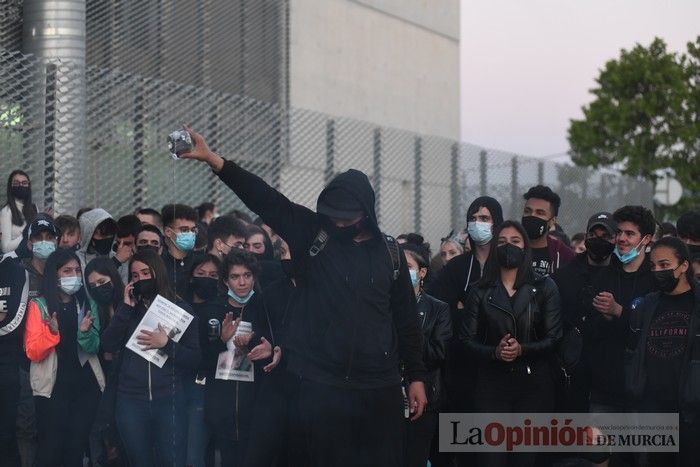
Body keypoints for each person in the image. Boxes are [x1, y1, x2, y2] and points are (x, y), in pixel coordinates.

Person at [179, 126, 426, 467]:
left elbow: (407, 320)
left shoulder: (391, 254)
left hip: (379, 388)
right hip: (321, 386)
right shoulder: (313, 233)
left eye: (347, 218)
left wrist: (416, 376)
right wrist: (214, 160)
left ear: (366, 213)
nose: (339, 224)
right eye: (334, 217)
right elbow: (264, 198)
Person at [460, 220, 562, 467]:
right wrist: (495, 353)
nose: (509, 247)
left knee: (524, 459)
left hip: (532, 386)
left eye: (515, 241)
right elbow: (465, 340)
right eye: (502, 242)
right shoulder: (479, 290)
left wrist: (522, 350)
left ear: (525, 247)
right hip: (491, 386)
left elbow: (554, 337)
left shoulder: (545, 286)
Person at [100, 250, 200, 467]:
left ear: (158, 273)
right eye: (135, 276)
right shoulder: (127, 310)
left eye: (146, 273)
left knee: (173, 461)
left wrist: (167, 345)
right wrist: (125, 309)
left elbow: (194, 359)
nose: (141, 279)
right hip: (131, 402)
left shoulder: (181, 309)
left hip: (169, 400)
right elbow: (107, 344)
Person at [24, 248, 104, 466]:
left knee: (75, 449)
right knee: (50, 451)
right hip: (52, 389)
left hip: (85, 387)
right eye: (67, 270)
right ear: (54, 274)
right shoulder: (39, 305)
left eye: (77, 270)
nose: (74, 275)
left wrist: (86, 333)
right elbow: (33, 351)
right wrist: (51, 333)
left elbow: (95, 346)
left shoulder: (88, 304)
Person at [626, 237, 700, 466]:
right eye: (654, 266)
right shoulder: (648, 304)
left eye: (665, 265)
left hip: (691, 409)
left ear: (684, 266)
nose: (658, 271)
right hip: (654, 407)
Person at [202, 250, 278, 466]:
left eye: (247, 275)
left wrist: (267, 350)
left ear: (254, 277)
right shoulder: (213, 311)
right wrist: (221, 341)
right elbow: (202, 361)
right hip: (222, 408)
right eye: (235, 277)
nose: (242, 282)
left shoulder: (265, 308)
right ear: (225, 280)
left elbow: (278, 348)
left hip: (257, 408)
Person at [587, 205, 657, 421]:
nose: (621, 239)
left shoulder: (656, 280)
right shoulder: (603, 277)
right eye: (619, 233)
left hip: (643, 389)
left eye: (630, 234)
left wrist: (619, 312)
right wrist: (605, 318)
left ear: (646, 239)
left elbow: (653, 331)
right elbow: (589, 328)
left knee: (639, 452)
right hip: (605, 389)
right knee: (598, 452)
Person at [402, 242, 452, 467]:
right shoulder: (383, 305)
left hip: (425, 396)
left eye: (409, 266)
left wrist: (410, 326)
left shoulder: (438, 309)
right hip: (389, 394)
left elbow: (437, 353)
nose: (403, 272)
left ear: (422, 272)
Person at [84, 258, 126, 467]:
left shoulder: (128, 303)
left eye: (102, 281)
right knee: (101, 433)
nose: (99, 288)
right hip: (102, 376)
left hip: (127, 376)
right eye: (93, 286)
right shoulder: (93, 310)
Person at [184, 254, 223, 467]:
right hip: (177, 386)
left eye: (213, 275)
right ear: (191, 276)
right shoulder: (179, 306)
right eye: (201, 274)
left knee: (195, 455)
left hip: (206, 387)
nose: (207, 279)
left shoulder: (222, 309)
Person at [521, 185, 574, 275]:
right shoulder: (512, 248)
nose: (532, 215)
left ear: (552, 221)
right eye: (527, 211)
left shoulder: (564, 255)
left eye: (540, 213)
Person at [161, 204, 198, 297]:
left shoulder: (199, 262)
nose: (190, 234)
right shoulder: (159, 263)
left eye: (193, 230)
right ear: (168, 232)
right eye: (184, 230)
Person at [1, 170, 38, 254]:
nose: (21, 185)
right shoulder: (6, 211)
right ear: (10, 187)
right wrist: (26, 234)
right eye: (16, 183)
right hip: (16, 261)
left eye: (24, 183)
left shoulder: (34, 208)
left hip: (33, 259)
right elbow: (5, 248)